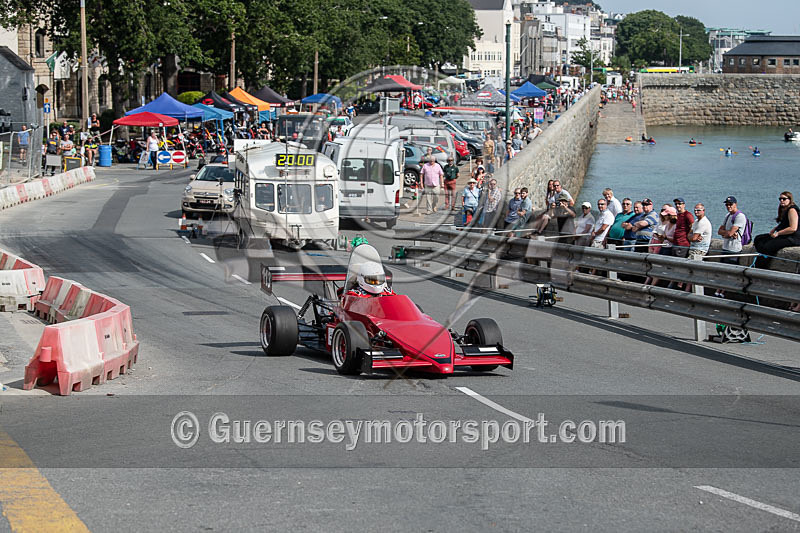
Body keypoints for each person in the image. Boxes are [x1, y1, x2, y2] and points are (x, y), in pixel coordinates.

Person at [754, 192, 800, 269]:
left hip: (793, 238)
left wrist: (778, 233)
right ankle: (761, 258)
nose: (781, 200)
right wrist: (775, 229)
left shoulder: (792, 210)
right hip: (785, 235)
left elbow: (793, 228)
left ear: (789, 199)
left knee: (768, 246)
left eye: (784, 199)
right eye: (780, 199)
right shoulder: (785, 209)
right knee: (759, 239)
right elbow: (785, 224)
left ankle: (761, 267)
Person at [685, 203, 712, 292]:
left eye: (699, 210)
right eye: (695, 210)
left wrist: (693, 237)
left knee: (691, 270)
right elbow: (689, 236)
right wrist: (693, 237)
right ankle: (686, 288)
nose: (696, 212)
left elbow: (692, 237)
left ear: (703, 211)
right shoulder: (696, 222)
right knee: (689, 270)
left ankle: (687, 290)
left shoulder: (703, 222)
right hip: (693, 249)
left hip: (700, 250)